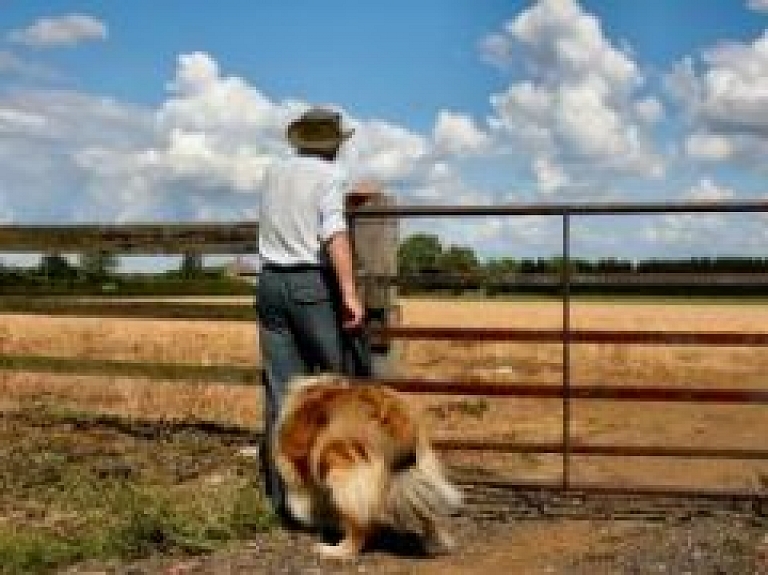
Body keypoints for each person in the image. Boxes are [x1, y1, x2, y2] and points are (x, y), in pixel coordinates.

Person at [257, 107, 365, 520]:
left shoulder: (273, 172)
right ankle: (341, 496)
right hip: (309, 284)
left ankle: (285, 500)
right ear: (335, 143)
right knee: (337, 386)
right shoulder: (330, 175)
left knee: (282, 392)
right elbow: (333, 232)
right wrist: (350, 292)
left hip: (269, 284)